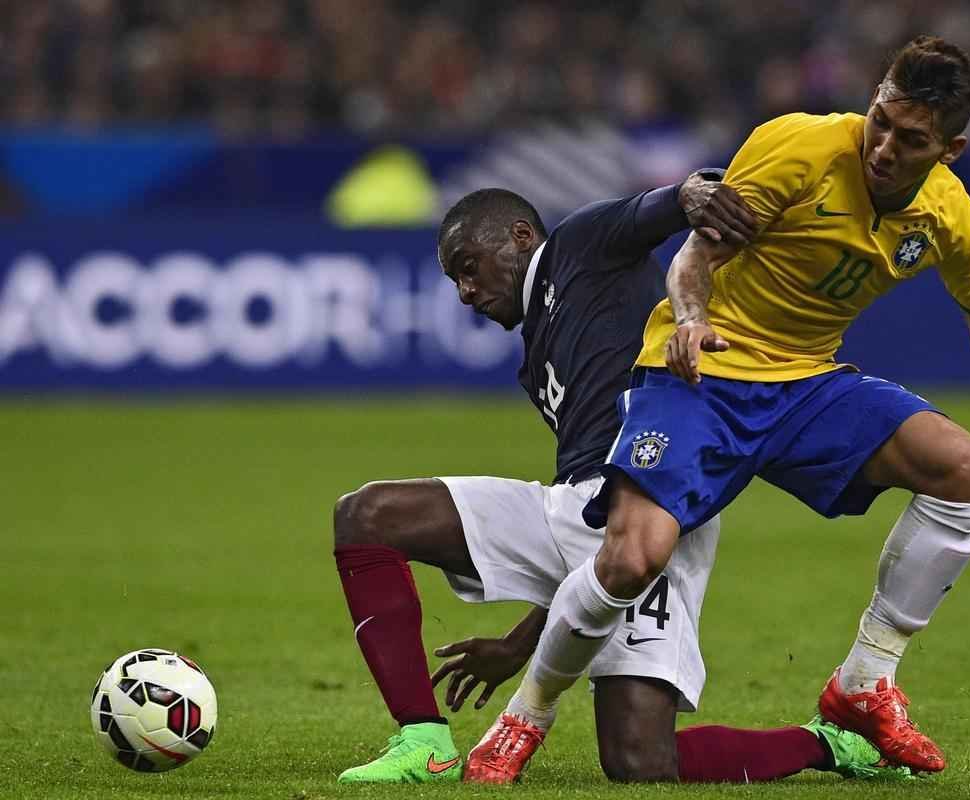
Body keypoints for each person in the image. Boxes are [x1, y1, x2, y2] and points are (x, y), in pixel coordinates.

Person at [476, 35, 970, 781]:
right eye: (879, 119)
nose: (881, 147)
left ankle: (861, 684)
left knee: (961, 468)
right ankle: (525, 716)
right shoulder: (798, 146)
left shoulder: (948, 217)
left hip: (802, 386)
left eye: (908, 139)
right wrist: (688, 320)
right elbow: (693, 258)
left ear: (949, 149)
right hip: (700, 375)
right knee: (630, 560)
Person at [331, 172, 906, 784]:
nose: (467, 291)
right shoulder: (538, 359)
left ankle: (829, 744)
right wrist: (517, 642)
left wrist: (691, 194)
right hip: (574, 509)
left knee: (641, 761)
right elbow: (584, 561)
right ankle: (425, 742)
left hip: (657, 515)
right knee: (367, 516)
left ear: (521, 237)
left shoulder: (578, 246)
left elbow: (654, 211)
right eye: (455, 281)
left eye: (470, 267)